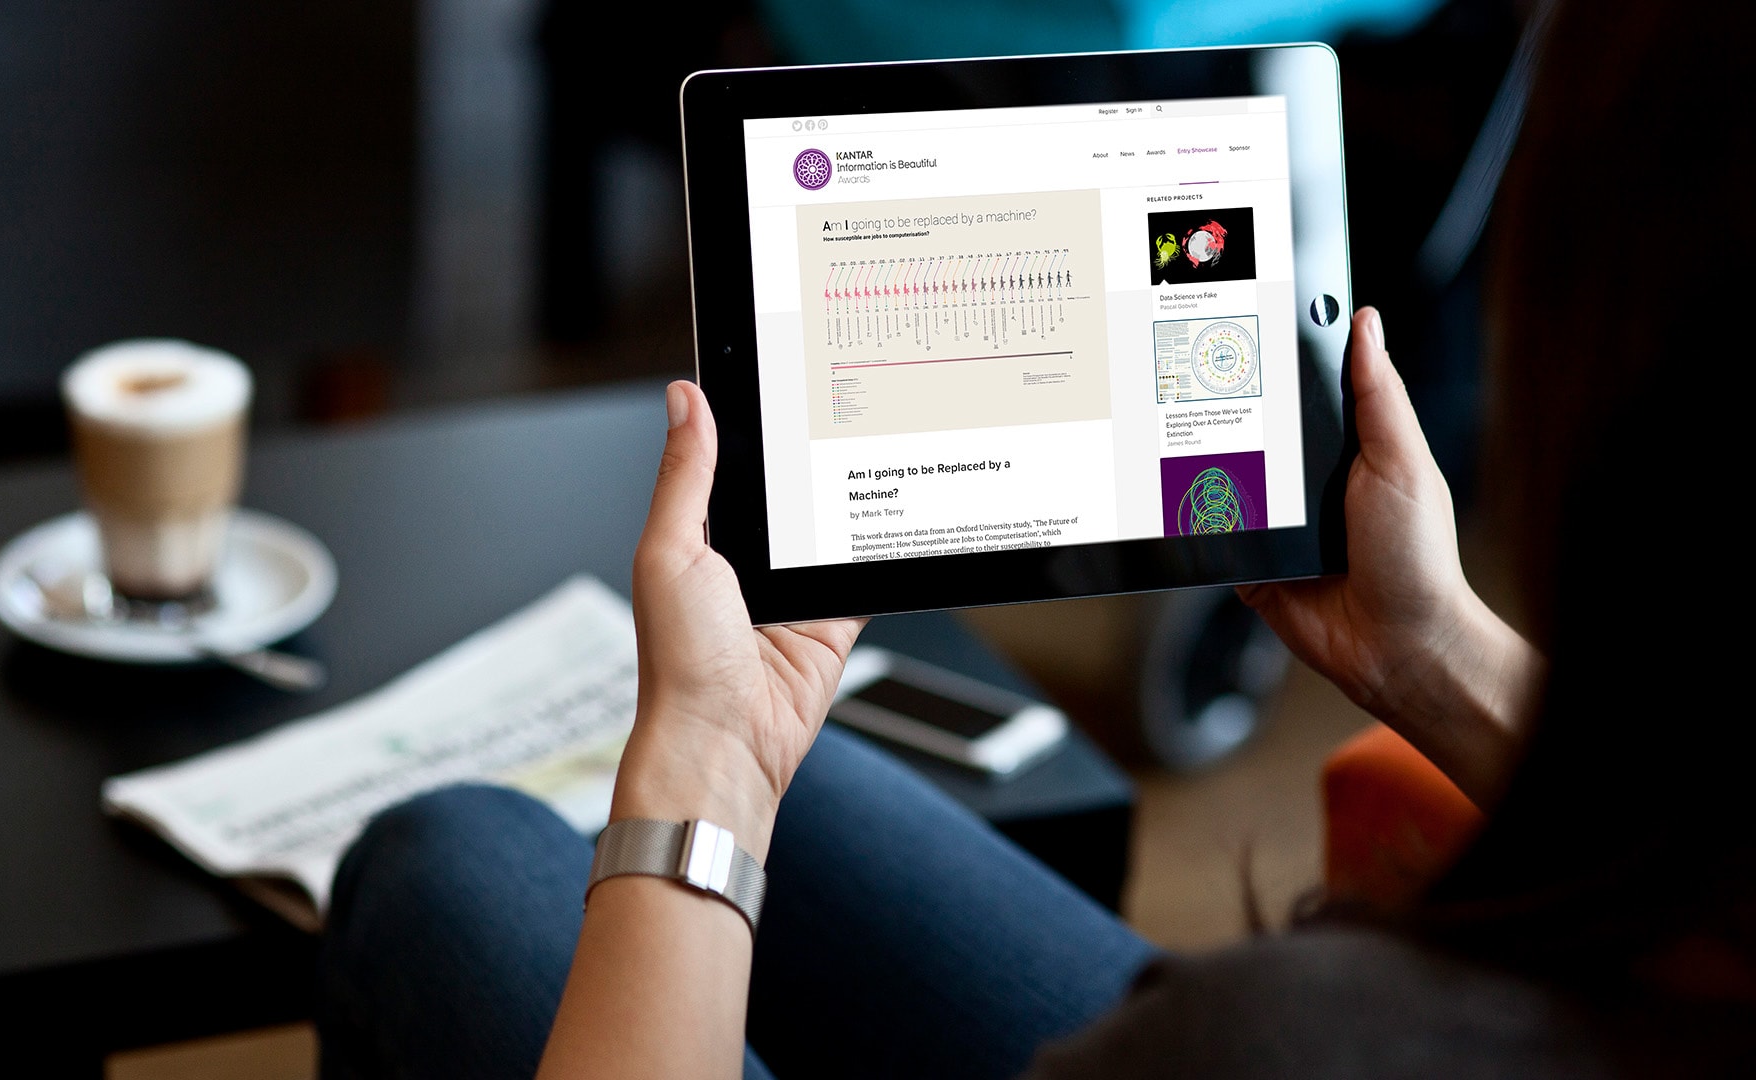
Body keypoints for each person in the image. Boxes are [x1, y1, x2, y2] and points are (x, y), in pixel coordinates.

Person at [319, 2, 1754, 1075]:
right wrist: (1432, 646)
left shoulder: (1284, 1036)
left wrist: (709, 755)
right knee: (807, 814)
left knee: (446, 864)